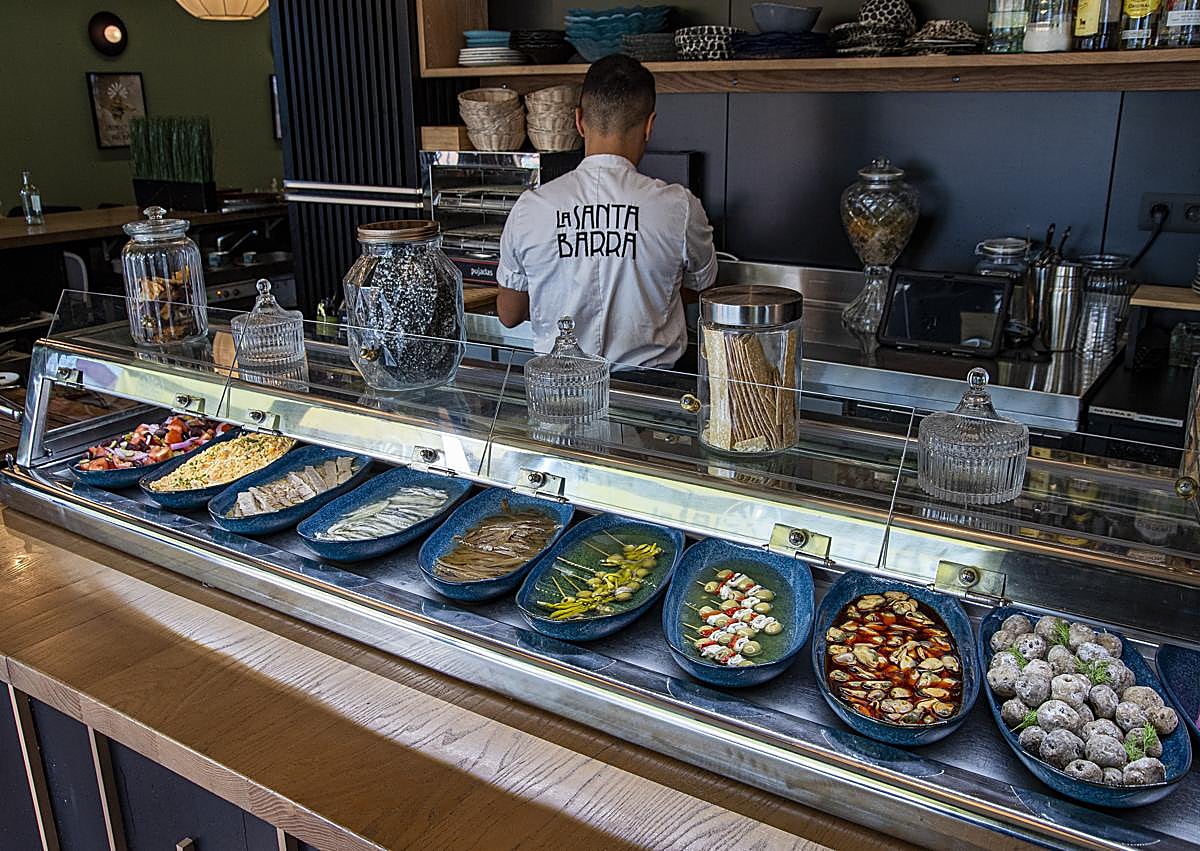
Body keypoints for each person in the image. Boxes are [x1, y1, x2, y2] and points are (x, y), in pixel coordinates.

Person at [496, 55, 718, 371]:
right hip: (650, 397)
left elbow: (509, 314)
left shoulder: (531, 208)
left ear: (578, 121)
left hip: (559, 394)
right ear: (649, 125)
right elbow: (703, 289)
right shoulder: (679, 207)